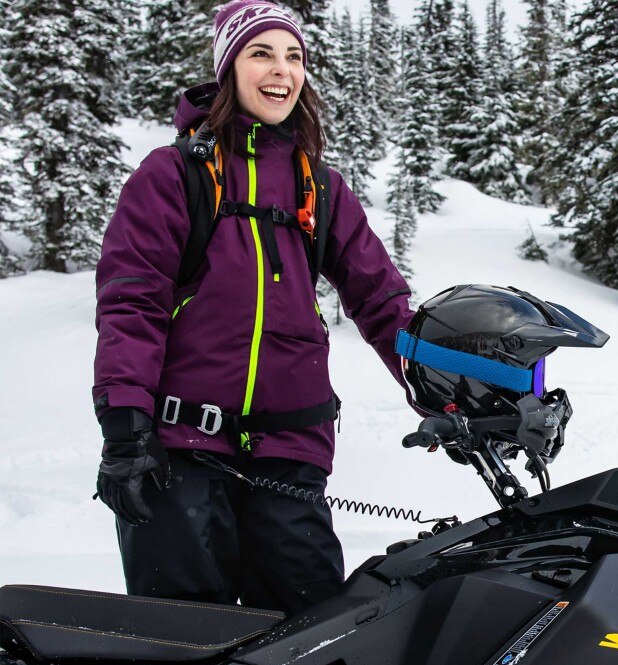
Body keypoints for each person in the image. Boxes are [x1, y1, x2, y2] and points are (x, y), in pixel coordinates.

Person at [92, 0, 415, 613]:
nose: (281, 70)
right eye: (261, 53)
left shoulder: (320, 184)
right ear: (228, 68)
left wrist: (448, 387)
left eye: (293, 56)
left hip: (290, 455)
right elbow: (132, 302)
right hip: (178, 451)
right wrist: (126, 426)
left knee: (308, 648)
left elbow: (383, 300)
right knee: (187, 655)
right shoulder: (171, 175)